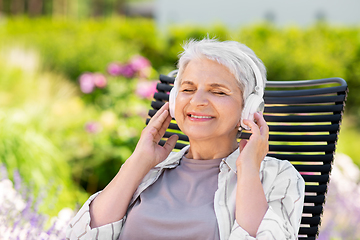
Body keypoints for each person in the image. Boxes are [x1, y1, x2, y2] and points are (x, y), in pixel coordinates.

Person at [66, 38, 305, 240]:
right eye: (188, 89)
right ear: (173, 100)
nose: (197, 100)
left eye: (218, 91)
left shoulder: (275, 176)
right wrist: (138, 160)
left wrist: (248, 170)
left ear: (249, 108)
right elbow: (80, 236)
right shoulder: (150, 169)